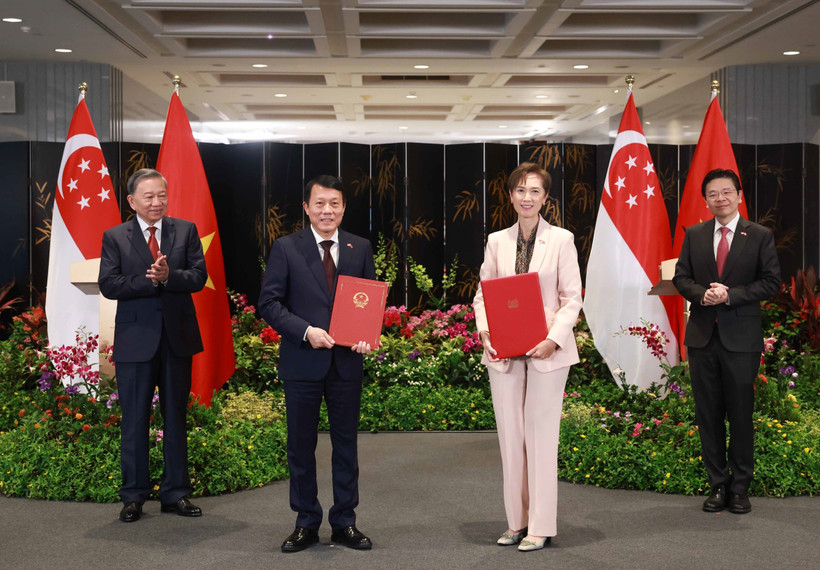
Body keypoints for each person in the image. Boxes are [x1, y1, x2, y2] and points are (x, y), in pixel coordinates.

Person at [259, 174, 376, 553]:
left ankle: (345, 522)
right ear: (306, 207)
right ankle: (306, 522)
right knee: (300, 446)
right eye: (320, 203)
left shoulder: (360, 247)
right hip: (302, 362)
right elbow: (270, 304)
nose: (328, 210)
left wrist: (366, 335)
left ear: (344, 208)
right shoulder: (286, 247)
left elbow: (370, 303)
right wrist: (306, 330)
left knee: (346, 447)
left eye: (335, 203)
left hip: (345, 364)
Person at [472, 162, 583, 552]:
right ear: (510, 195)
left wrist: (553, 339)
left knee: (540, 438)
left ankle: (540, 525)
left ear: (546, 198)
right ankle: (515, 522)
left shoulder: (562, 240)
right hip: (503, 352)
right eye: (520, 190)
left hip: (546, 354)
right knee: (511, 439)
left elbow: (572, 299)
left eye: (535, 191)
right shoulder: (496, 241)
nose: (527, 198)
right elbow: (483, 295)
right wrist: (485, 329)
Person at [98, 168, 207, 523]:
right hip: (135, 341)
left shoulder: (186, 230)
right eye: (149, 196)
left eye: (162, 194)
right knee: (134, 420)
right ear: (132, 201)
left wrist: (170, 276)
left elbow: (198, 276)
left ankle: (176, 493)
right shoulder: (115, 237)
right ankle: (133, 496)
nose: (157, 202)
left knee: (175, 417)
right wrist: (150, 281)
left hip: (177, 339)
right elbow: (109, 285)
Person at [673, 168, 780, 514]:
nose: (720, 198)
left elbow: (771, 283)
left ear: (738, 195)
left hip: (741, 339)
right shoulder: (695, 234)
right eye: (713, 194)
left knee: (740, 414)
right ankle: (717, 485)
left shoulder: (759, 235)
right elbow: (680, 277)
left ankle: (740, 488)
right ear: (705, 200)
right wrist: (703, 294)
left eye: (726, 192)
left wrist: (730, 295)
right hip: (703, 338)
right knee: (708, 415)